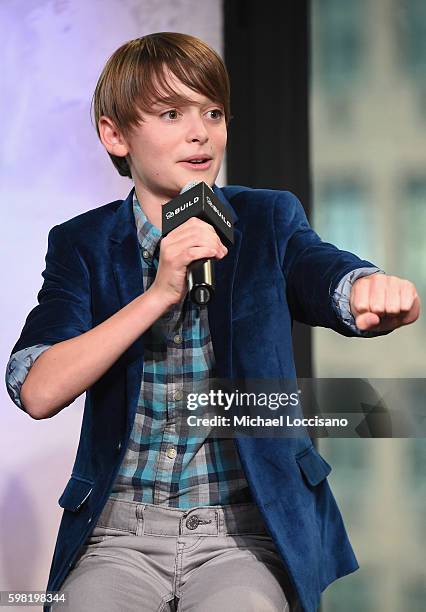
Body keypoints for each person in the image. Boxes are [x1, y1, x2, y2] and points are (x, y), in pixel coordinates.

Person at [5, 32, 420, 612]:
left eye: (213, 112)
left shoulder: (266, 217)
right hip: (121, 536)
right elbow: (38, 388)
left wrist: (362, 290)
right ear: (114, 134)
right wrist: (157, 294)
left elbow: (319, 269)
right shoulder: (83, 244)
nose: (200, 131)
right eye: (172, 113)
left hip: (244, 536)